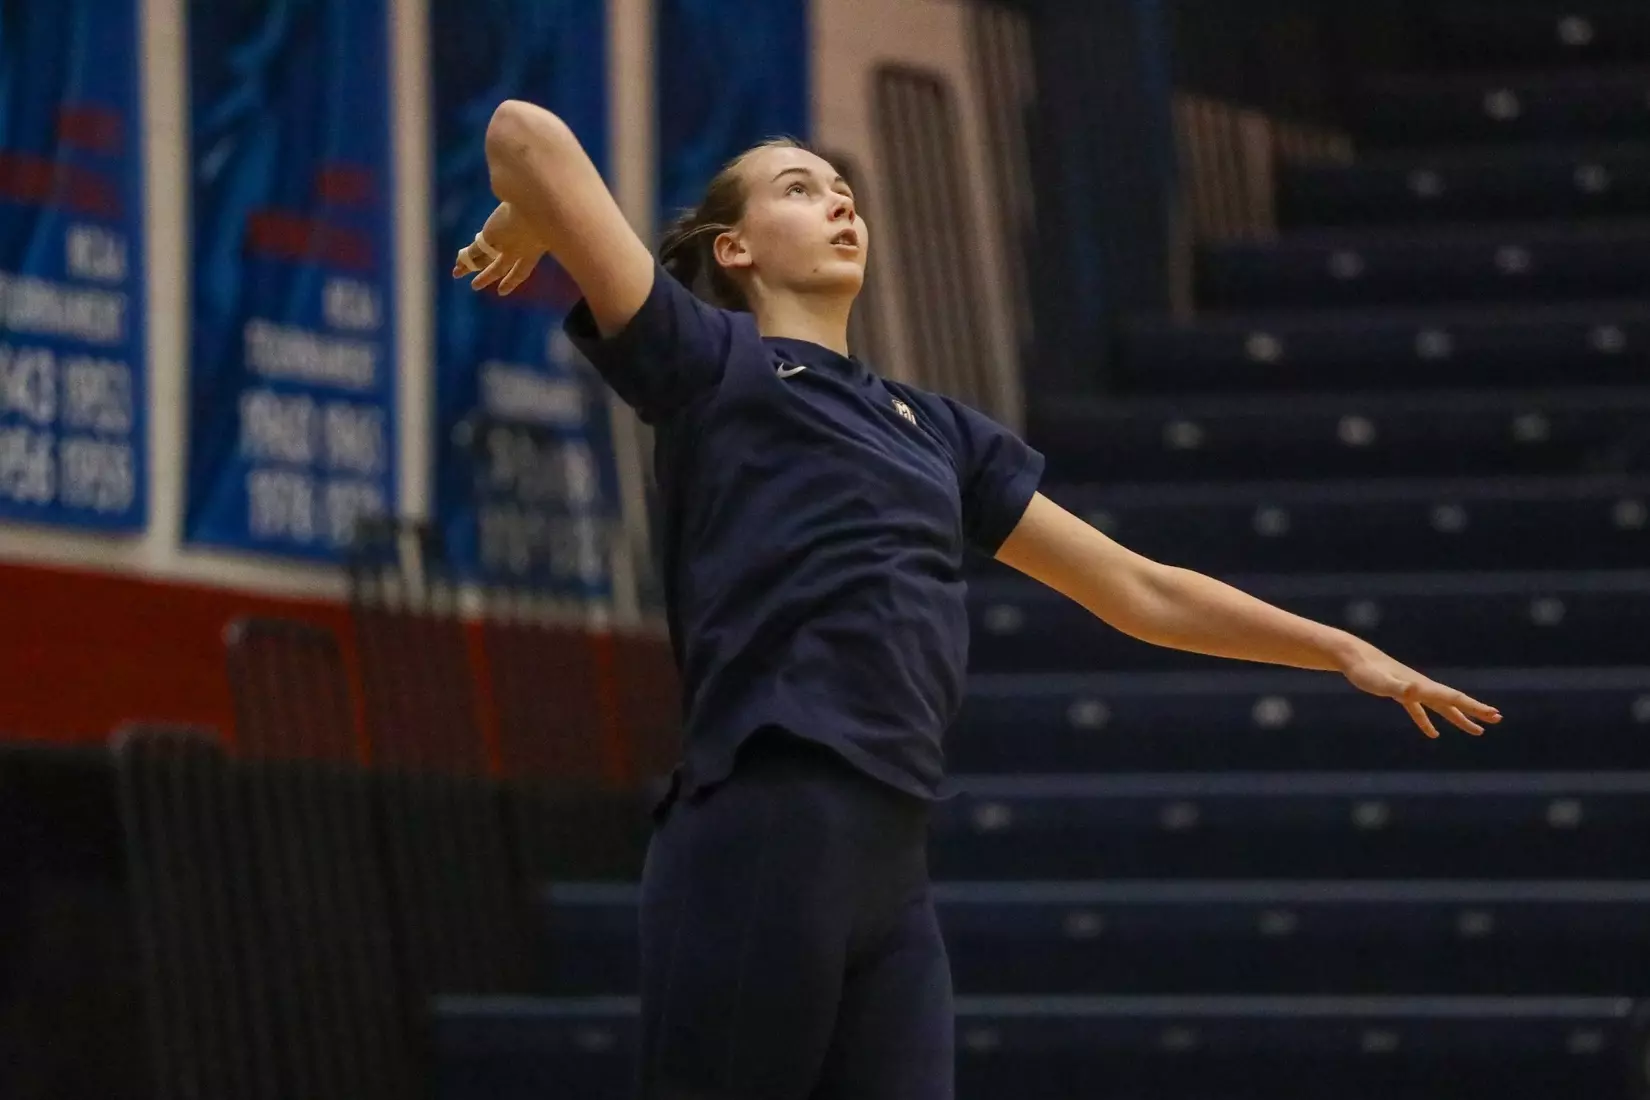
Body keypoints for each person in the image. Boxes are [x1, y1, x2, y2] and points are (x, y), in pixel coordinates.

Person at [455, 99, 1503, 1100]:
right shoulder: (709, 363)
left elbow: (1136, 587)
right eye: (800, 187)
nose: (840, 201)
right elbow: (523, 134)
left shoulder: (936, 428)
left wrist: (1340, 649)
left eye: (844, 188)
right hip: (766, 816)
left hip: (892, 853)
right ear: (734, 247)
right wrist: (528, 215)